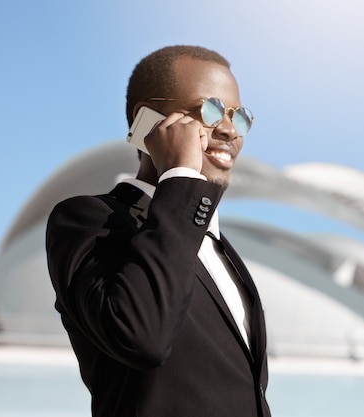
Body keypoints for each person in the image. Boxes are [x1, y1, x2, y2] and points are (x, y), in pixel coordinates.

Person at [46, 45, 271, 417]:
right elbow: (141, 337)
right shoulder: (85, 221)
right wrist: (180, 176)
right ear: (149, 120)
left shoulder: (222, 250)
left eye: (239, 116)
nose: (230, 130)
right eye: (210, 110)